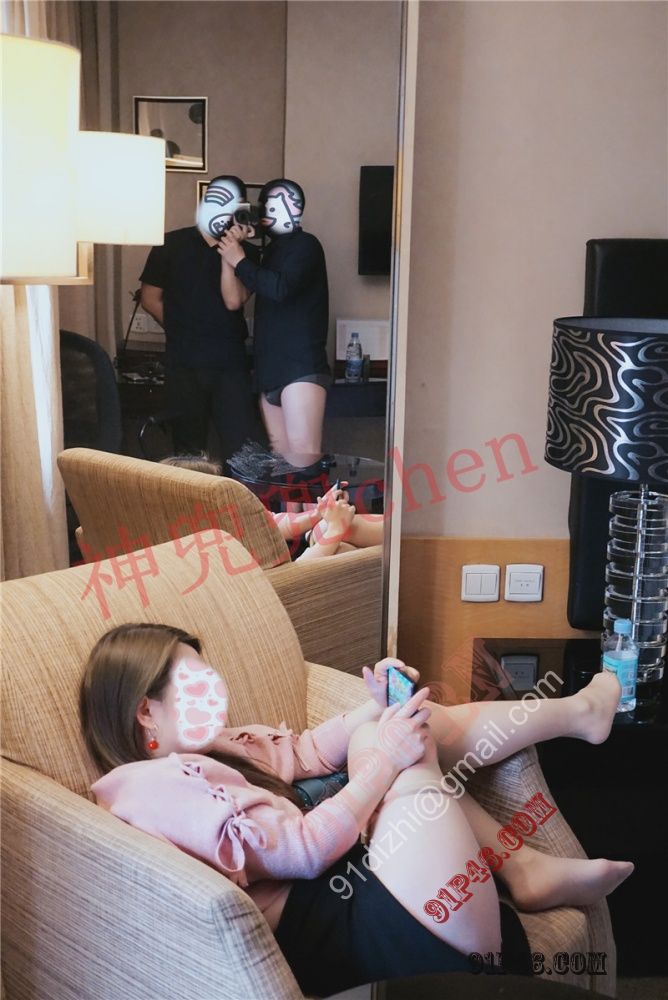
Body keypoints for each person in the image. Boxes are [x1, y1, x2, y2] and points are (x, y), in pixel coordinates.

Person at [80, 624, 632, 997]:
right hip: (379, 937)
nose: (215, 691)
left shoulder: (208, 750)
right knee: (395, 743)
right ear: (145, 711)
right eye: (195, 685)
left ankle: (537, 830)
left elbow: (305, 753)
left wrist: (374, 705)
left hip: (382, 889)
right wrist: (384, 760)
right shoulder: (152, 788)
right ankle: (534, 830)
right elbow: (299, 849)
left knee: (392, 726)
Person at [139, 175, 265, 467]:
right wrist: (181, 329)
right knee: (187, 452)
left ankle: (235, 499)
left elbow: (235, 300)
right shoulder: (169, 244)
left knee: (241, 450)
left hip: (230, 363)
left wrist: (231, 252)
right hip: (184, 361)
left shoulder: (249, 253)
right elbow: (149, 298)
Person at [217, 178, 330, 456]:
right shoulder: (269, 252)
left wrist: (239, 259)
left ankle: (317, 490)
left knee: (303, 455)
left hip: (300, 366)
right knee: (281, 460)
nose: (264, 215)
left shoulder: (306, 244)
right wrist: (230, 254)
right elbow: (234, 300)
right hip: (269, 369)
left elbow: (281, 289)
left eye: (270, 207)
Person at [160, 453, 383, 560]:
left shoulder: (175, 534)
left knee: (328, 531)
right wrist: (335, 529)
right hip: (291, 584)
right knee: (339, 541)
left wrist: (317, 514)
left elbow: (271, 522)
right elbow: (298, 576)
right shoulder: (217, 548)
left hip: (299, 568)